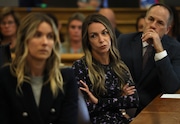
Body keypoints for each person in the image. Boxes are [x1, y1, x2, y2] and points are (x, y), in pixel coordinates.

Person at [0, 12, 78, 124]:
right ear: (24, 39)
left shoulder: (66, 77)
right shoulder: (6, 76)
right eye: (37, 35)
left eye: (50, 36)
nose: (45, 42)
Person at [72, 13, 139, 124]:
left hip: (122, 120)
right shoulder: (80, 66)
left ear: (111, 35)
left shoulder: (120, 66)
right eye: (94, 36)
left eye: (104, 33)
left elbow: (134, 100)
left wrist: (98, 101)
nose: (101, 40)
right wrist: (120, 98)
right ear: (88, 41)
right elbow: (85, 109)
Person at [117, 3, 180, 115]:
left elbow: (171, 88)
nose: (153, 25)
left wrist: (159, 50)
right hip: (122, 108)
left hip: (155, 112)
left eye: (160, 23)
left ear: (167, 29)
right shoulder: (124, 41)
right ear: (144, 20)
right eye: (150, 19)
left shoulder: (175, 49)